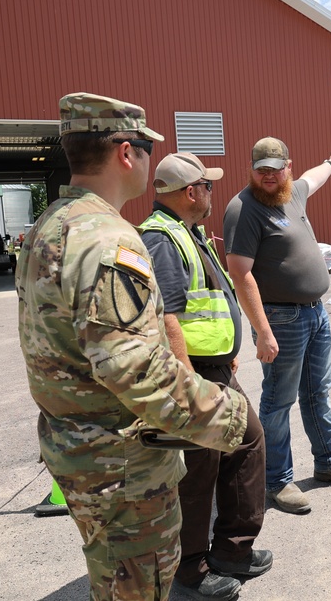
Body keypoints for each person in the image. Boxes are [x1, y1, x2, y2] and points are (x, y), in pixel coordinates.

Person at [16, 93, 249, 601]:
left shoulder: (50, 226)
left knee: (112, 577)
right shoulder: (108, 241)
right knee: (138, 588)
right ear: (126, 153)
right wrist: (227, 416)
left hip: (78, 444)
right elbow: (136, 370)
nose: (146, 161)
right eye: (146, 149)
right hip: (120, 463)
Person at [139, 153, 270, 600]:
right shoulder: (161, 238)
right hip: (194, 374)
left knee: (245, 443)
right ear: (192, 191)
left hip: (215, 369)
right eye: (208, 186)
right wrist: (187, 383)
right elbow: (168, 317)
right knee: (197, 472)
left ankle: (233, 549)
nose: (213, 192)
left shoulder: (188, 233)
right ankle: (190, 569)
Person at [222, 137, 331, 515]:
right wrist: (264, 331)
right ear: (251, 170)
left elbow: (314, 177)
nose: (269, 176)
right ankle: (276, 480)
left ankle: (330, 463)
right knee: (278, 400)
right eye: (261, 170)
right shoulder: (243, 209)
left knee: (318, 393)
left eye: (276, 168)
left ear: (287, 166)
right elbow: (240, 273)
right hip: (281, 319)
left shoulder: (293, 192)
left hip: (315, 313)